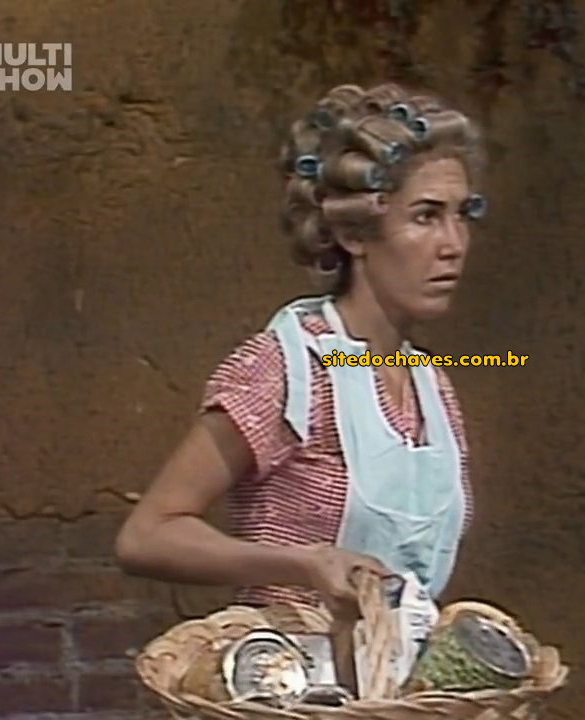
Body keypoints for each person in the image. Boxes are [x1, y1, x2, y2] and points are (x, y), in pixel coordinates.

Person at [114, 82, 487, 621]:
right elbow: (147, 536)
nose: (453, 244)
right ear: (355, 235)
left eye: (462, 215)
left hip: (397, 670)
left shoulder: (432, 389)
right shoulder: (287, 371)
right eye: (425, 216)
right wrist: (303, 565)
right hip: (291, 664)